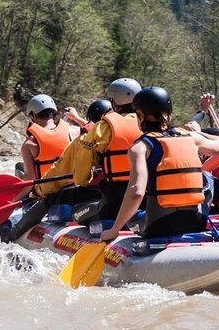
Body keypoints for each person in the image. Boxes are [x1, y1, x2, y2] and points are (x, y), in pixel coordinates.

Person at [99, 87, 219, 242]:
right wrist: (195, 132)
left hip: (159, 226)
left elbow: (137, 193)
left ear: (140, 115)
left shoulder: (140, 147)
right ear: (168, 112)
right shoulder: (192, 138)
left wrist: (114, 231)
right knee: (206, 178)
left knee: (133, 217)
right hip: (195, 222)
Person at [40, 78, 145, 223]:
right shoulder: (149, 124)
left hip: (113, 200)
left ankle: (14, 233)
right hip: (145, 197)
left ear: (114, 102)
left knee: (60, 200)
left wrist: (82, 181)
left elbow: (82, 168)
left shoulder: (103, 127)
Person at [0, 94, 93, 242]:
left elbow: (29, 180)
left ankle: (8, 235)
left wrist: (11, 203)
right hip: (77, 190)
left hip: (49, 194)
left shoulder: (30, 144)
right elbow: (94, 130)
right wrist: (77, 119)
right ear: (54, 113)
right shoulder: (75, 131)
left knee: (9, 236)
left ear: (32, 116)